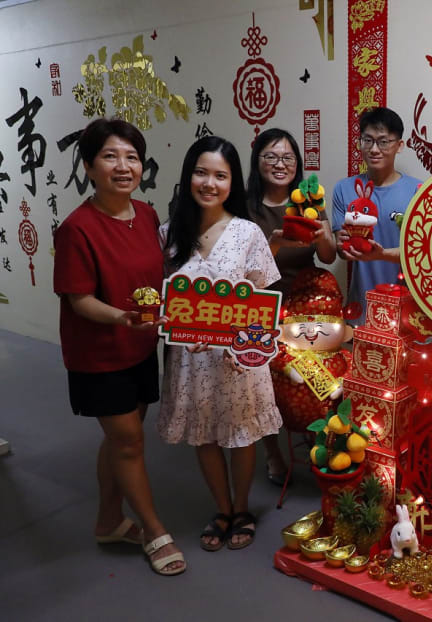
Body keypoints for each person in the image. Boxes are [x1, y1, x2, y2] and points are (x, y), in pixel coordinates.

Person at [53, 118, 186, 576]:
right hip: (99, 352)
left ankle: (109, 520)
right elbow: (78, 298)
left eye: (131, 156)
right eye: (110, 156)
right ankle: (153, 530)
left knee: (120, 440)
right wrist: (121, 317)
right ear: (89, 167)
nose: (123, 166)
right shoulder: (78, 228)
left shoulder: (147, 214)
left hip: (140, 347)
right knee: (129, 441)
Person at [157, 136, 282, 551]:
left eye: (220, 176)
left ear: (233, 183)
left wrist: (234, 337)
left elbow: (264, 306)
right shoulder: (168, 234)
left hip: (238, 359)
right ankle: (223, 508)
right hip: (190, 362)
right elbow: (163, 300)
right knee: (205, 435)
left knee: (242, 433)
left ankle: (243, 508)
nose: (209, 183)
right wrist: (172, 322)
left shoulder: (248, 232)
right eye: (201, 172)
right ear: (189, 175)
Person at [246, 129, 335, 486]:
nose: (280, 165)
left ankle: (315, 432)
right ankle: (272, 451)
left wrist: (323, 235)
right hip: (262, 302)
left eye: (288, 158)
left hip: (304, 301)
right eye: (271, 157)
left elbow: (328, 257)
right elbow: (247, 272)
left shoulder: (309, 200)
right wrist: (276, 243)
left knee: (318, 368)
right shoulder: (245, 207)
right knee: (260, 375)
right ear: (258, 162)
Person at [332, 107, 421, 326]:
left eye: (383, 142)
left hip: (406, 311)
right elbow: (342, 253)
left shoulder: (418, 191)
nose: (374, 149)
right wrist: (343, 245)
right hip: (360, 308)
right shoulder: (344, 189)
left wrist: (382, 254)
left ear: (399, 145)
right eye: (367, 140)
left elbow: (422, 254)